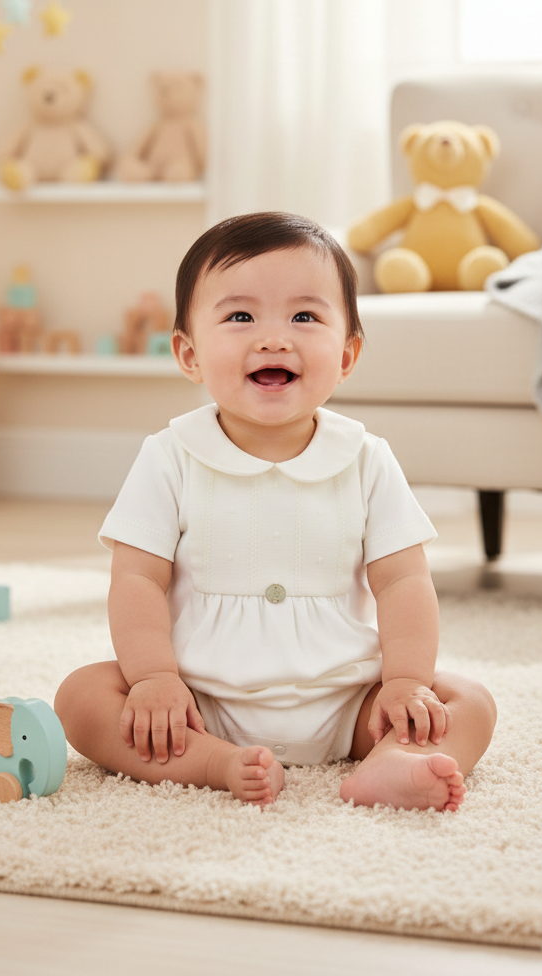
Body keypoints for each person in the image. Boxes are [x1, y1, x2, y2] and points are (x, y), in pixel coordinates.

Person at [55, 212, 496, 809]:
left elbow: (404, 582)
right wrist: (155, 678)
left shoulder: (366, 459)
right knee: (82, 697)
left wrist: (406, 682)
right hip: (199, 699)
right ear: (187, 354)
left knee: (468, 702)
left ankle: (394, 761)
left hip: (346, 699)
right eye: (240, 316)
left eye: (305, 316)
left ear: (346, 354)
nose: (273, 338)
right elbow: (137, 578)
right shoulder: (170, 457)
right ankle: (213, 762)